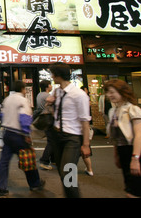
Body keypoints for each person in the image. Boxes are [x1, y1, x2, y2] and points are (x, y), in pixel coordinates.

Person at [46, 62, 91, 198]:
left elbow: (85, 121)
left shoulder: (79, 95)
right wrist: (50, 102)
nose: (52, 77)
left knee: (68, 173)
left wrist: (86, 145)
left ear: (58, 75)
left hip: (72, 138)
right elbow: (55, 113)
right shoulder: (57, 92)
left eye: (53, 74)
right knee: (62, 172)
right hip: (57, 135)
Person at [0, 81, 45, 197]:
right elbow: (24, 117)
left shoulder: (7, 99)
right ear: (23, 89)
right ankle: (35, 183)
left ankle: (0, 187)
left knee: (4, 162)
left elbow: (1, 114)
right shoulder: (23, 100)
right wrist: (26, 134)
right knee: (28, 159)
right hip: (19, 135)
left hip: (7, 133)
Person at [104, 79, 141, 198]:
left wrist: (135, 159)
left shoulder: (133, 109)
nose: (109, 95)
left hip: (135, 151)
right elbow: (115, 138)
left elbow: (139, 135)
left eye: (112, 92)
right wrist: (116, 155)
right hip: (122, 152)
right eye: (108, 92)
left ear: (122, 92)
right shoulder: (113, 111)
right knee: (130, 187)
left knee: (136, 190)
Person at [36, 80, 54, 170]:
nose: (51, 86)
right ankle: (44, 160)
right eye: (50, 84)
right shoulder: (47, 96)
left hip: (44, 119)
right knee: (52, 141)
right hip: (49, 119)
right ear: (47, 86)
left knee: (53, 140)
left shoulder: (39, 95)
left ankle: (53, 159)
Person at [81, 85, 94, 176]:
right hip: (80, 132)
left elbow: (85, 122)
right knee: (84, 153)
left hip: (75, 134)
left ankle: (70, 184)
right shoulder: (84, 100)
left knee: (70, 158)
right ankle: (89, 169)